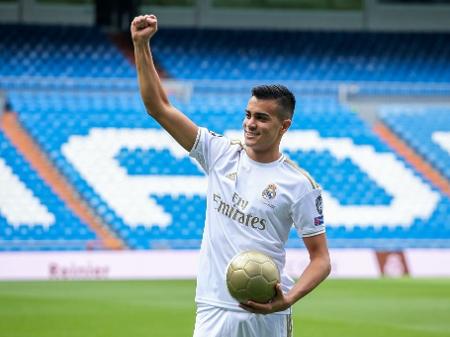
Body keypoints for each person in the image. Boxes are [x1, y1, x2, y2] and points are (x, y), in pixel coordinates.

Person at [131, 14, 331, 337]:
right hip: (213, 307)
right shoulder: (219, 152)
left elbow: (321, 259)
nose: (250, 123)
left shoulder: (300, 185)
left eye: (262, 118)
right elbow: (158, 107)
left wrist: (288, 298)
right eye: (248, 114)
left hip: (267, 313)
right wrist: (141, 45)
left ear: (284, 126)